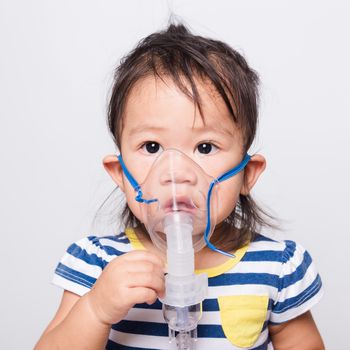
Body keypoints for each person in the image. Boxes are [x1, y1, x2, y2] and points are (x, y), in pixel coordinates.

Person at [35, 23, 324, 350]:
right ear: (119, 173)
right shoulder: (96, 263)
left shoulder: (278, 268)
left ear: (247, 174)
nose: (176, 173)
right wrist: (95, 309)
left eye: (204, 147)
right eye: (152, 147)